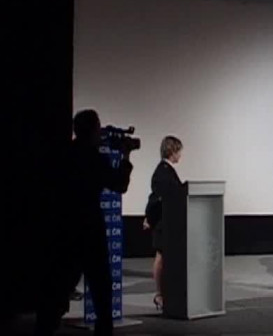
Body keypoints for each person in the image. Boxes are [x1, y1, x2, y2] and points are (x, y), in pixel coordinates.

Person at [36, 109, 134, 336]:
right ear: (92, 130)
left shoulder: (63, 155)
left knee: (58, 287)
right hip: (89, 230)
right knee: (101, 292)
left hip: (63, 229)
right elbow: (119, 184)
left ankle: (43, 329)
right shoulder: (93, 158)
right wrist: (126, 156)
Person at [143, 136, 184, 310]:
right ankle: (159, 294)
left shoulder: (167, 171)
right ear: (172, 151)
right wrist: (149, 218)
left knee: (165, 257)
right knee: (160, 257)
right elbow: (158, 198)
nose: (180, 155)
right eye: (179, 151)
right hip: (162, 222)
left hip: (168, 221)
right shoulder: (163, 172)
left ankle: (167, 293)